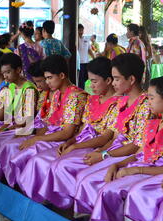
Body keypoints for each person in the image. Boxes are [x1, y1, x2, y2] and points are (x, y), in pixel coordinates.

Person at [90, 76, 163, 221]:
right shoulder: (153, 123)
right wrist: (118, 164)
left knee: (133, 193)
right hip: (143, 166)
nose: (148, 101)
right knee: (107, 184)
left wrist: (135, 170)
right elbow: (140, 153)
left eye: (152, 98)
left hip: (157, 172)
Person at [74, 53, 154, 217]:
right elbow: (115, 137)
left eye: (117, 79)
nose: (114, 83)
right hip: (116, 150)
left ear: (131, 80)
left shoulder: (146, 105)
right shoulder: (122, 101)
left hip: (130, 155)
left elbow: (136, 146)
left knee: (89, 179)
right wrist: (100, 152)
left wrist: (104, 155)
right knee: (83, 173)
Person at [36, 57, 120, 210]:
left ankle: (72, 207)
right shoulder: (93, 100)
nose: (91, 85)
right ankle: (59, 205)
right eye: (89, 81)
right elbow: (83, 129)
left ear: (108, 80)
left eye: (95, 81)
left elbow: (106, 137)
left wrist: (76, 146)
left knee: (61, 165)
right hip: (83, 141)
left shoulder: (117, 103)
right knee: (54, 162)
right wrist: (70, 142)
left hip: (95, 145)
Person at [0, 54, 88, 193]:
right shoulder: (56, 93)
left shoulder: (75, 96)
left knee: (27, 155)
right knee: (13, 145)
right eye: (46, 78)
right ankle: (14, 187)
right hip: (51, 135)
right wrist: (31, 133)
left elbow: (67, 132)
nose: (47, 82)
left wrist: (37, 138)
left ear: (62, 75)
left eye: (49, 78)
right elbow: (48, 123)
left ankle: (30, 194)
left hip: (62, 140)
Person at [78, 24, 95, 89]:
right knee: (81, 80)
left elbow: (89, 50)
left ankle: (82, 89)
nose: (81, 32)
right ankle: (81, 91)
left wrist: (94, 58)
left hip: (86, 62)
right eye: (79, 30)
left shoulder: (86, 39)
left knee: (86, 78)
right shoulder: (76, 39)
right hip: (79, 63)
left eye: (82, 30)